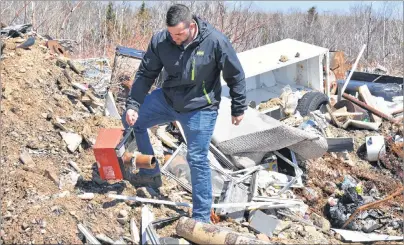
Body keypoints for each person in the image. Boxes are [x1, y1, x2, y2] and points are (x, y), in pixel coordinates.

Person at [123, 4, 246, 223]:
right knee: (136, 122)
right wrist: (133, 105)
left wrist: (238, 107)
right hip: (168, 99)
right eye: (171, 34)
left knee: (197, 158)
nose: (175, 38)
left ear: (191, 26)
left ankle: (200, 219)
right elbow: (145, 74)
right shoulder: (161, 41)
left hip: (201, 107)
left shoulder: (215, 41)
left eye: (179, 34)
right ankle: (150, 173)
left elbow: (235, 75)